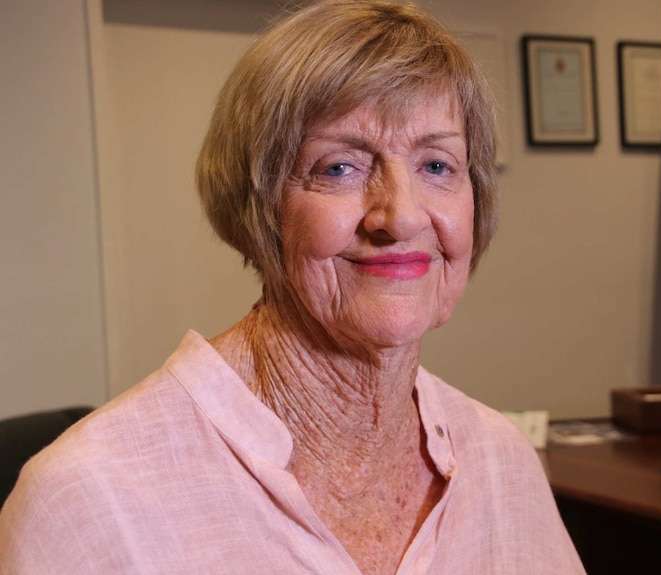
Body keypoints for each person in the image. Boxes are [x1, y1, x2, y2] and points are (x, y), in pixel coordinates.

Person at [0, 1, 586, 573]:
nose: (402, 217)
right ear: (258, 206)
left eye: (437, 166)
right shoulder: (89, 501)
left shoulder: (501, 462)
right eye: (339, 167)